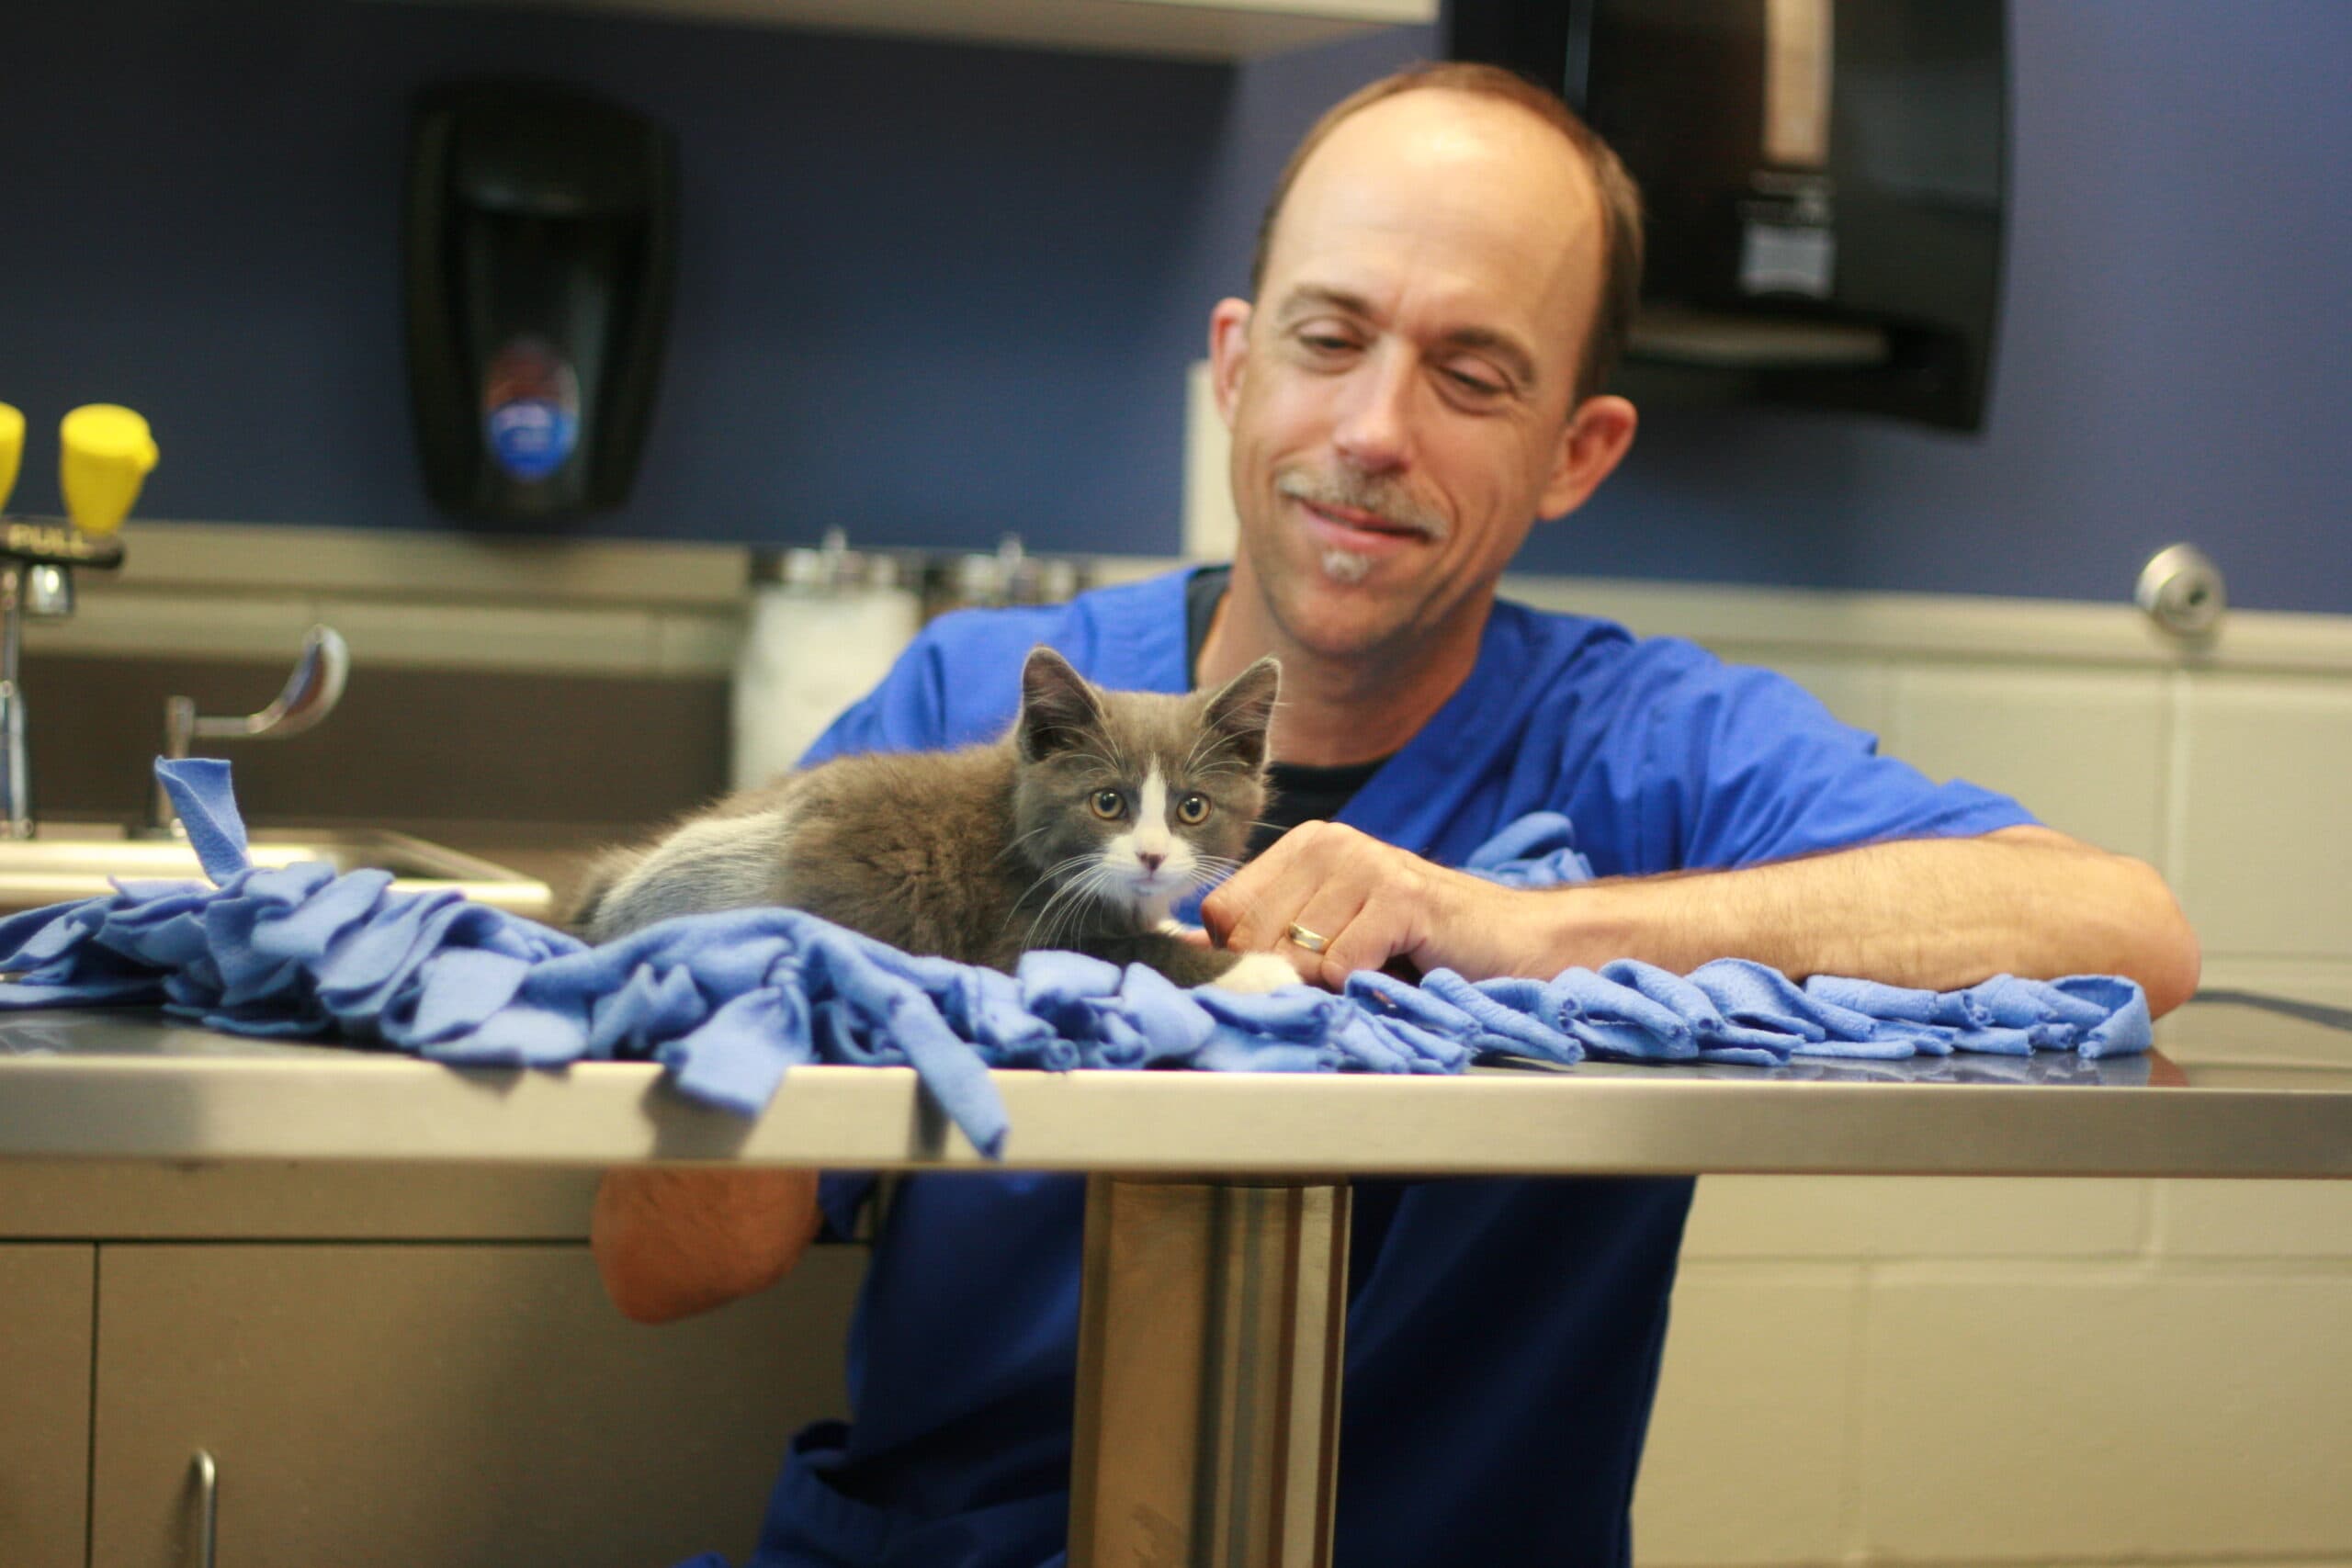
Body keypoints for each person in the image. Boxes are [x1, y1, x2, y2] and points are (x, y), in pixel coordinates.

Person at [594, 63, 2200, 1567]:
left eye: (1470, 374)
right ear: (1233, 367)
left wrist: (1524, 932)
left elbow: (2124, 929)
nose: (1372, 434)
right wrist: (792, 993)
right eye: (1327, 338)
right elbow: (670, 1265)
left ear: (1579, 451)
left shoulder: (1646, 752)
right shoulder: (970, 722)